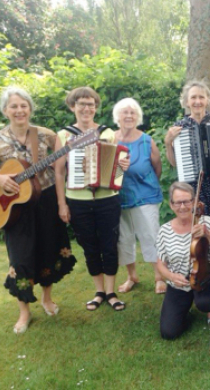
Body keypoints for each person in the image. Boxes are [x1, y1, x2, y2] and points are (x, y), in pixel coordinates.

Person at [0, 87, 77, 333]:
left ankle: (47, 299)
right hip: (16, 210)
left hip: (46, 201)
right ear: (5, 110)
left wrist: (61, 203)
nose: (19, 111)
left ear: (30, 109)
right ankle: (24, 312)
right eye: (14, 106)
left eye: (24, 105)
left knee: (50, 250)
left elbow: (60, 172)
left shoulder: (46, 135)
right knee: (21, 258)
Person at [55, 87, 128, 312]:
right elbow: (59, 172)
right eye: (82, 104)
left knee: (109, 244)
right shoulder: (63, 135)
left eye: (91, 104)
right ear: (72, 106)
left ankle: (110, 291)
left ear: (96, 107)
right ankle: (98, 292)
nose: (87, 108)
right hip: (77, 200)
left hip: (108, 198)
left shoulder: (107, 133)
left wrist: (122, 166)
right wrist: (62, 204)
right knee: (89, 246)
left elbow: (116, 165)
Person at [113, 98, 165, 294]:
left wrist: (147, 184)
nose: (128, 116)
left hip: (146, 196)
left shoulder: (146, 140)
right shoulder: (110, 139)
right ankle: (131, 276)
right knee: (124, 237)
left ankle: (159, 277)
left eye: (132, 112)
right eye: (124, 112)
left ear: (138, 117)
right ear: (117, 117)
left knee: (150, 235)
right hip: (118, 197)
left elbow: (157, 167)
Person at [165, 80, 210, 225]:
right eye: (193, 97)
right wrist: (168, 143)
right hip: (192, 187)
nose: (198, 101)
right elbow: (174, 163)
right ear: (186, 102)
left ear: (208, 100)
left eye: (201, 97)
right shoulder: (180, 126)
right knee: (197, 229)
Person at [157, 182, 210, 339]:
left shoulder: (206, 222)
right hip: (180, 284)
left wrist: (208, 235)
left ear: (194, 202)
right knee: (169, 332)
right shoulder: (164, 231)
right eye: (178, 202)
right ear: (171, 205)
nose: (183, 206)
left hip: (204, 279)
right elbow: (160, 263)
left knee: (206, 303)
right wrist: (171, 277)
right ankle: (186, 313)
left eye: (187, 201)